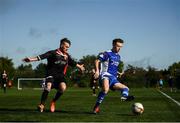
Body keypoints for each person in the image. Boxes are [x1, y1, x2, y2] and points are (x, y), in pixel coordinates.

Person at [22, 38, 85, 113]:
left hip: (60, 76)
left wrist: (80, 67)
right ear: (62, 45)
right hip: (50, 74)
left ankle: (53, 102)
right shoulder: (52, 53)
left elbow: (73, 63)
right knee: (48, 85)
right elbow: (42, 56)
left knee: (63, 88)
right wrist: (31, 60)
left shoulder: (67, 56)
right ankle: (41, 105)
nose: (67, 48)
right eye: (66, 46)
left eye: (68, 47)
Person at [93, 38, 134, 114]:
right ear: (113, 45)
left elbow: (113, 67)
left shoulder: (118, 56)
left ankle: (124, 97)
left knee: (126, 88)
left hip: (113, 78)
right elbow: (97, 61)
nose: (119, 48)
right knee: (105, 89)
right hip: (105, 75)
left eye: (120, 47)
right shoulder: (107, 53)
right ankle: (96, 107)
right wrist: (97, 71)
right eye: (117, 46)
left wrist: (118, 73)